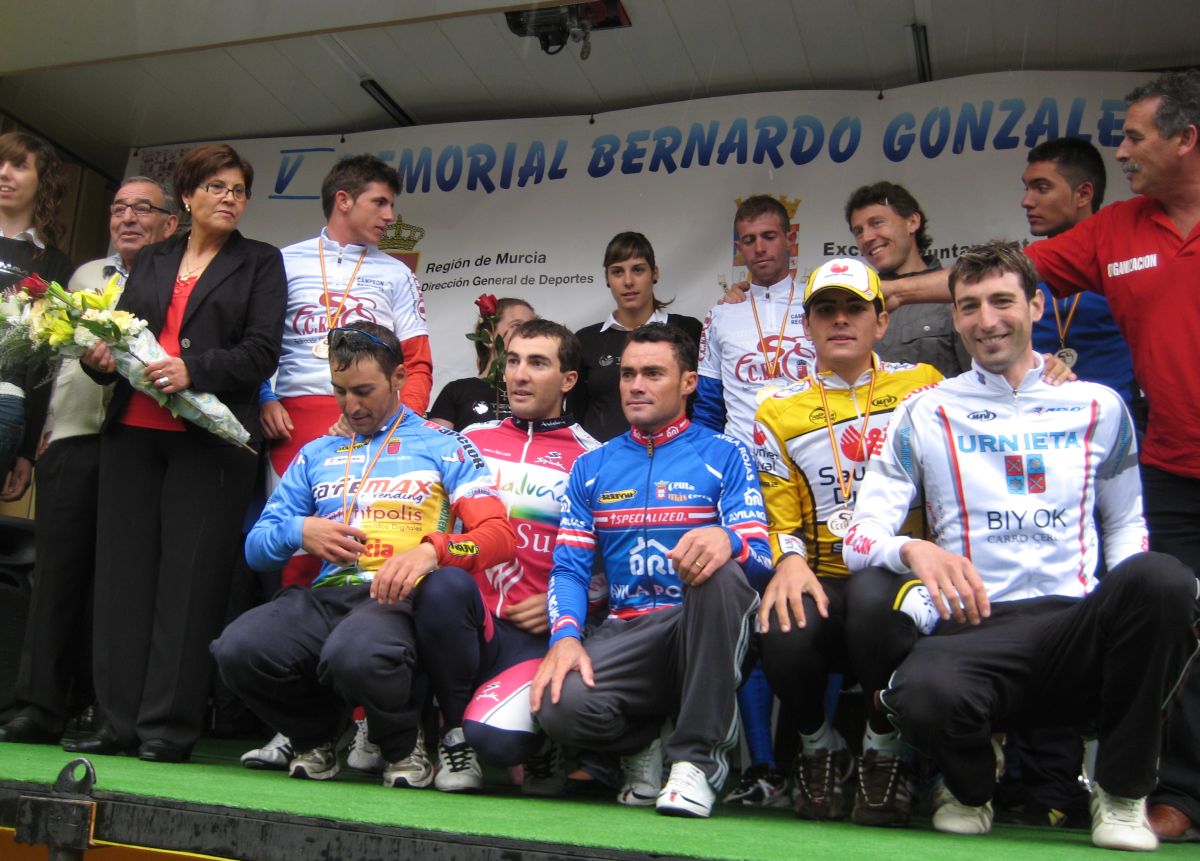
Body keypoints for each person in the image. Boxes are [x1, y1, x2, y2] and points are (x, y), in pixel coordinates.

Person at [842, 241, 1198, 850]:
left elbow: (1126, 524)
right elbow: (860, 535)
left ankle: (1121, 792)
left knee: (1163, 579)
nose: (987, 321)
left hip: (1074, 627)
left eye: (1002, 301)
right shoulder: (924, 411)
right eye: (970, 306)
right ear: (955, 317)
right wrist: (913, 551)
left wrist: (1127, 610)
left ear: (1035, 306)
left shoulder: (1098, 405)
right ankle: (970, 785)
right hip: (975, 626)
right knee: (918, 691)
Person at [211, 321, 515, 788]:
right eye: (340, 391)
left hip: (396, 599)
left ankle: (403, 747)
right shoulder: (317, 452)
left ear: (398, 378)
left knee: (355, 654)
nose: (351, 406)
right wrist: (299, 530)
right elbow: (257, 549)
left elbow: (498, 535)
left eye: (364, 391)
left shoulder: (443, 444)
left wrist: (433, 551)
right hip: (327, 595)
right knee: (238, 648)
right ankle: (316, 736)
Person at [68, 144, 287, 763]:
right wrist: (99, 360)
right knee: (123, 579)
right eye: (216, 187)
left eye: (238, 190)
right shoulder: (155, 256)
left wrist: (195, 368)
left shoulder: (260, 261)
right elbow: (123, 338)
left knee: (189, 585)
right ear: (187, 197)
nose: (229, 198)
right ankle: (117, 721)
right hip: (133, 432)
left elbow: (261, 352)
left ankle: (168, 726)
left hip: (209, 442)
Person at [532, 323, 773, 819]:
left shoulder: (726, 454)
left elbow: (761, 562)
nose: (636, 385)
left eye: (653, 374)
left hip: (698, 627)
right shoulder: (592, 466)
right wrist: (566, 637)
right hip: (627, 630)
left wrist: (728, 540)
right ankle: (646, 740)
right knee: (558, 707)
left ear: (688, 383)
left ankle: (696, 763)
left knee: (721, 572)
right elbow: (570, 568)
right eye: (628, 374)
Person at [753, 258, 942, 825]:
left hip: (902, 577)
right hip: (824, 577)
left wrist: (1051, 368)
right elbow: (778, 514)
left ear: (881, 321)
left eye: (855, 308)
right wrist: (788, 563)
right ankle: (820, 748)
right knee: (781, 619)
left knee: (874, 596)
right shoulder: (777, 408)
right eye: (826, 310)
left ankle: (883, 749)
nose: (840, 320)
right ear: (807, 326)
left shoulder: (924, 384)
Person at [0, 177, 177, 745]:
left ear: (170, 223)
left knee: (121, 584)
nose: (127, 218)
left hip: (141, 444)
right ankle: (38, 705)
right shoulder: (83, 277)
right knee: (55, 575)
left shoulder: (179, 280)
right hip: (72, 440)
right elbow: (51, 361)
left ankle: (107, 709)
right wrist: (42, 435)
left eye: (143, 209)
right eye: (119, 208)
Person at [417, 318, 599, 793]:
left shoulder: (592, 458)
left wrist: (568, 606)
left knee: (499, 743)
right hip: (467, 623)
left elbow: (609, 565)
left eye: (537, 363)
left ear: (568, 379)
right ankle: (453, 736)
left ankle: (538, 746)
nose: (518, 374)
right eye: (513, 361)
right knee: (442, 585)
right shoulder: (469, 441)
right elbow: (398, 445)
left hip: (533, 634)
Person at [260, 153, 432, 587]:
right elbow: (254, 344)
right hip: (292, 421)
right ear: (343, 200)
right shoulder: (283, 262)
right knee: (293, 553)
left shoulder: (397, 273)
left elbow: (417, 361)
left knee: (363, 546)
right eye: (380, 202)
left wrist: (399, 424)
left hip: (372, 423)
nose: (390, 216)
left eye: (391, 205)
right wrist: (264, 396)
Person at [1023, 138, 1136, 408]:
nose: (1027, 201)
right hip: (1041, 422)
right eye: (1027, 189)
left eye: (1041, 188)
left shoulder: (1126, 264)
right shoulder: (1021, 275)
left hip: (1118, 420)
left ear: (1083, 194)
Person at [695, 195, 815, 440]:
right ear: (739, 248)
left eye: (769, 237)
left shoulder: (818, 304)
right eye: (749, 240)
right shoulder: (721, 314)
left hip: (810, 452)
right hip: (742, 457)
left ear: (790, 239)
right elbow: (708, 404)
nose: (759, 248)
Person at [0, 131, 74, 504]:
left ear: (42, 181)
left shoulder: (55, 266)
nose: (4, 173)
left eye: (18, 165)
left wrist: (28, 449)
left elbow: (44, 362)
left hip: (5, 405)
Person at [572, 232, 702, 441]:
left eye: (638, 270)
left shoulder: (688, 330)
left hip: (672, 455)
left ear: (654, 273)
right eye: (617, 272)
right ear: (607, 278)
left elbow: (702, 405)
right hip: (601, 457)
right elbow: (575, 416)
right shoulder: (585, 339)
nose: (628, 281)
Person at [844, 181, 970, 377]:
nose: (867, 237)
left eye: (877, 223)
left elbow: (979, 380)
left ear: (912, 222)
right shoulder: (858, 302)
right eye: (858, 231)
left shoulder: (959, 291)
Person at [428, 297, 535, 430]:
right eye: (516, 326)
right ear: (488, 336)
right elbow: (436, 440)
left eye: (533, 328)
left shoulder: (541, 392)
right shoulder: (458, 390)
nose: (529, 334)